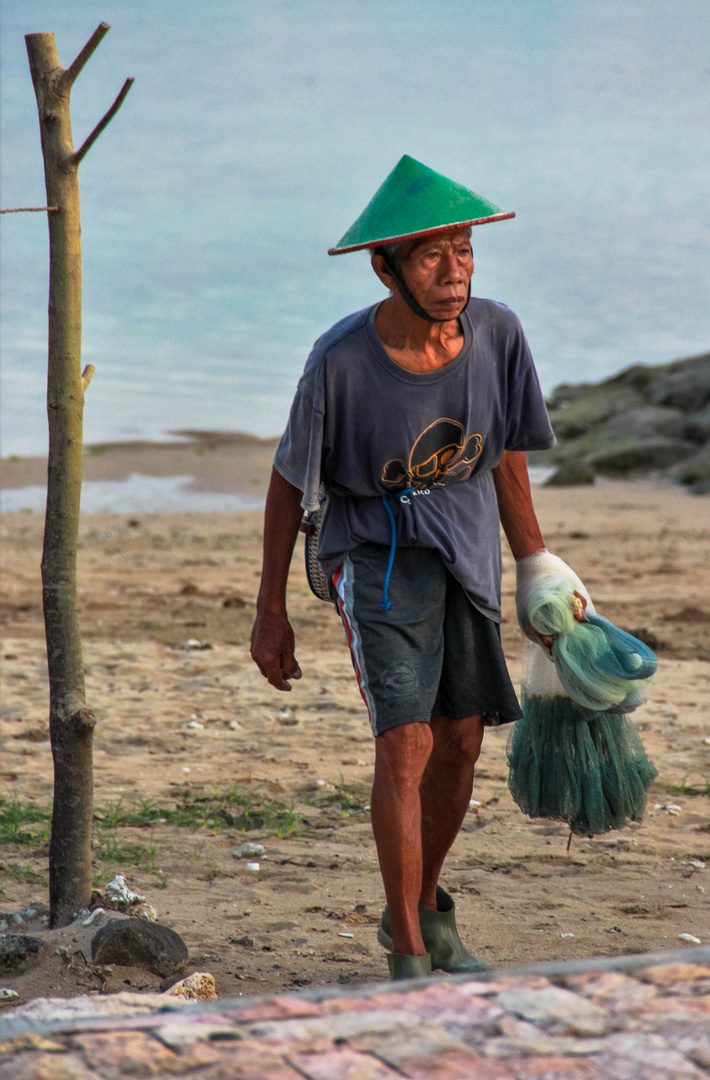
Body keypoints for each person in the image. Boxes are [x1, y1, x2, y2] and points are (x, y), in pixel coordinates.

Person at [250, 155, 556, 980]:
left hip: (465, 548)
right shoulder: (340, 361)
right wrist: (269, 610)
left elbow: (505, 458)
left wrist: (536, 565)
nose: (454, 272)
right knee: (408, 741)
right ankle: (412, 959)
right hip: (374, 558)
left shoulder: (497, 333)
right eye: (431, 255)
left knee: (462, 740)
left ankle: (418, 905)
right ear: (385, 268)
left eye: (463, 249)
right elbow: (288, 482)